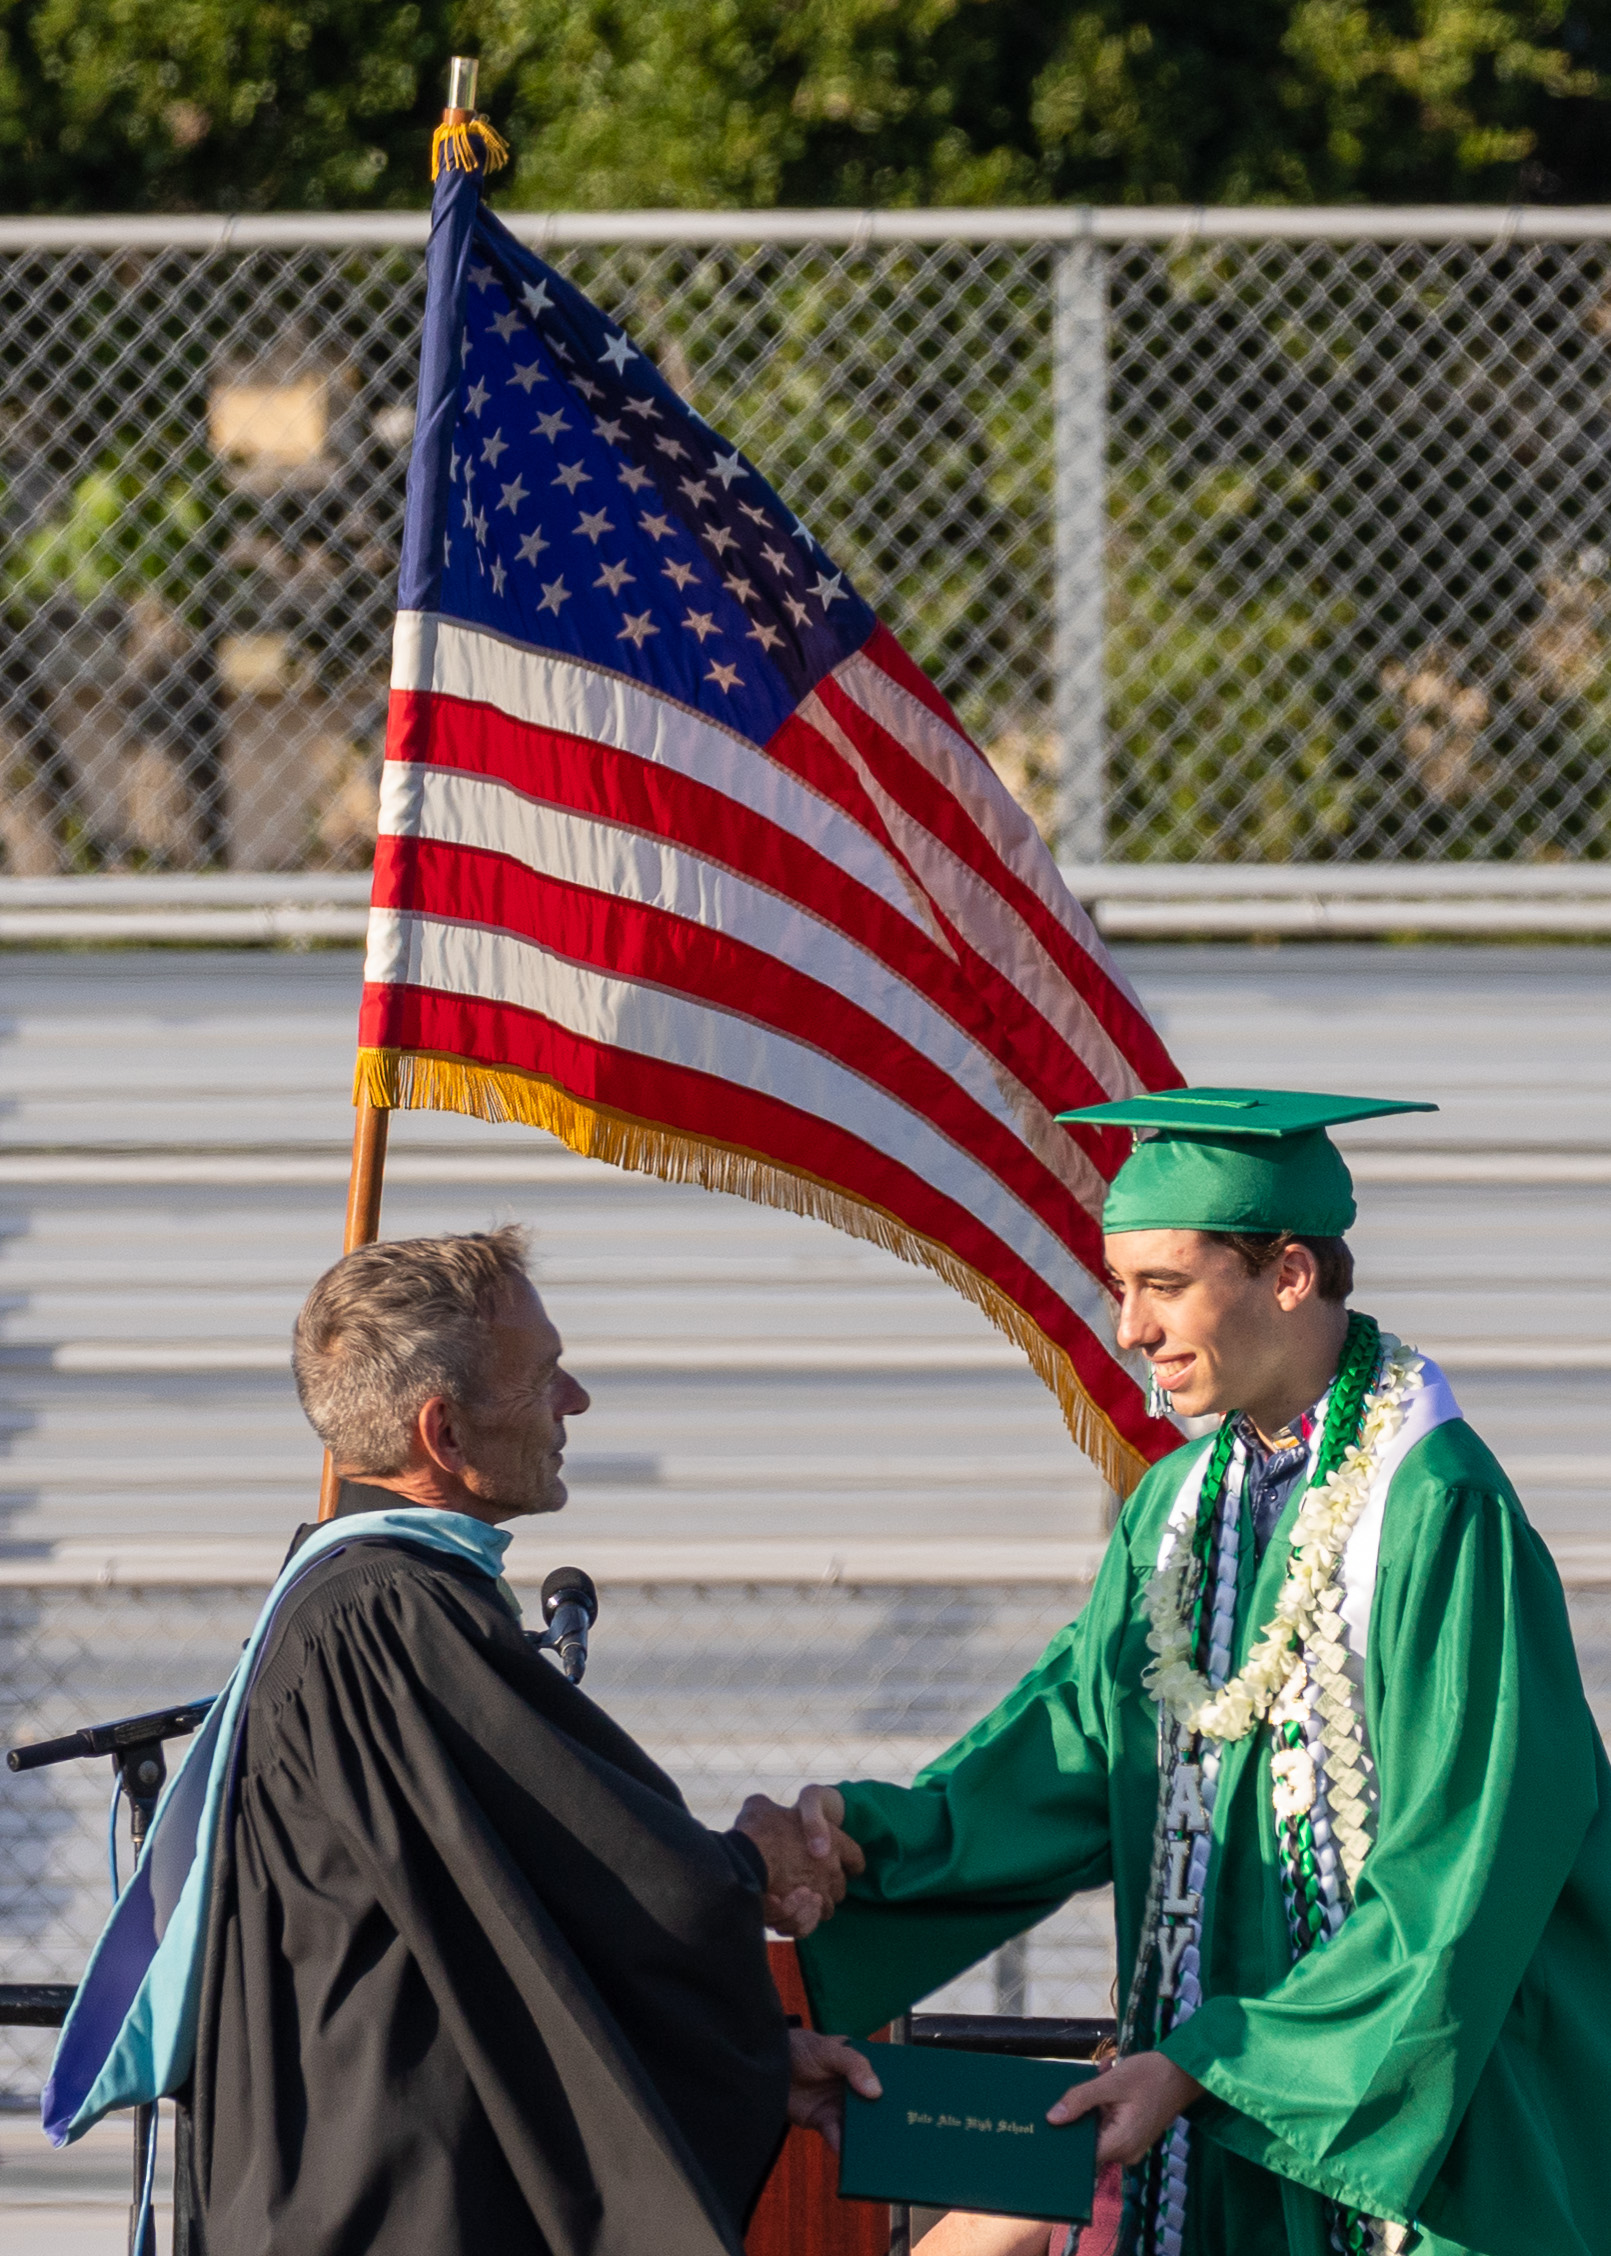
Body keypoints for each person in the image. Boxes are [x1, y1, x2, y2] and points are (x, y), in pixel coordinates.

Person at [756, 1089, 1611, 2256]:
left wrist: (1218, 2062)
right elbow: (1070, 1751)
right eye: (1121, 1288)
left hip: (1419, 2136)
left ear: (1291, 1276)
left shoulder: (1435, 1512)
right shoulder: (1175, 1510)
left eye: (1163, 1286)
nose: (1128, 1329)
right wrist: (869, 1844)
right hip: (1210, 2124)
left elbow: (1463, 1871)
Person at [45, 1225, 874, 2256]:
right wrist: (751, 1864)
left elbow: (493, 1930)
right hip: (382, 2205)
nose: (576, 1405)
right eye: (546, 1380)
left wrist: (756, 2048)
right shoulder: (389, 1618)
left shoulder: (351, 1608)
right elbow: (617, 1875)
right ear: (445, 1432)